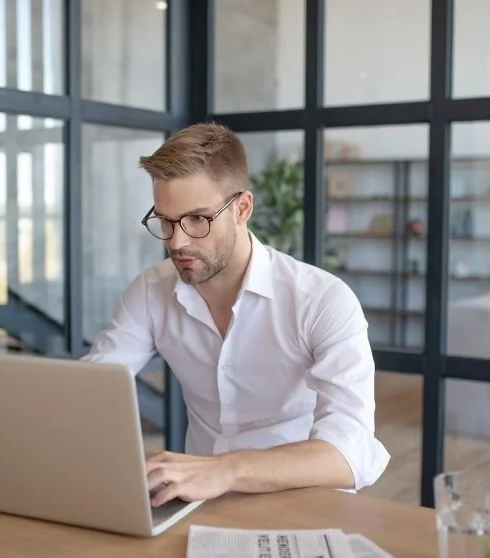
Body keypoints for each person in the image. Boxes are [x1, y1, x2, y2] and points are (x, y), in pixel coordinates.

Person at [80, 122, 389, 508]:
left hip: (302, 505)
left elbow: (351, 452)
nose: (177, 242)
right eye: (165, 221)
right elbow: (89, 391)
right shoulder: (151, 290)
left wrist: (226, 470)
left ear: (242, 207)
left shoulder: (322, 300)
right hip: (198, 504)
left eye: (198, 219)